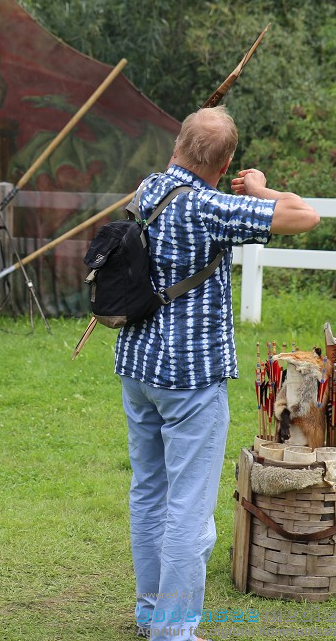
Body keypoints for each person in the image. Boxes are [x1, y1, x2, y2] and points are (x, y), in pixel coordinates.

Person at [116, 106, 319, 640]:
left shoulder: (147, 189)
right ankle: (174, 632)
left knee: (149, 493)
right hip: (189, 380)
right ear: (227, 160)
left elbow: (177, 165)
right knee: (187, 508)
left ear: (179, 144)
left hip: (137, 367)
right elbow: (305, 215)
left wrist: (197, 151)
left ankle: (150, 614)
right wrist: (260, 189)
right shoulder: (213, 206)